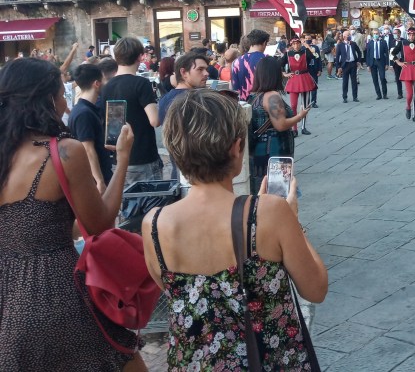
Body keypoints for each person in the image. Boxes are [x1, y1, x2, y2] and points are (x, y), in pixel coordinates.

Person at [141, 88, 326, 371]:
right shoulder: (269, 212)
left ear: (175, 152)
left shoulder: (153, 224)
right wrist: (293, 221)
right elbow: (315, 289)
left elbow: (171, 291)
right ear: (236, 147)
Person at [0, 58, 142, 370]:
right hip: (57, 291)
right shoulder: (64, 152)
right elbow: (99, 224)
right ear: (47, 100)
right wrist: (122, 160)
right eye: (61, 94)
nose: (66, 103)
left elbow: (26, 225)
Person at [101, 37, 161, 209]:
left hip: (120, 159)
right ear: (140, 57)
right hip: (144, 156)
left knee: (128, 210)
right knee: (150, 210)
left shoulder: (107, 87)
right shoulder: (141, 83)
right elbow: (154, 120)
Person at [68, 63, 114, 192]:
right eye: (103, 80)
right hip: (94, 180)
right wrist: (99, 181)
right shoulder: (84, 113)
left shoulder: (84, 110)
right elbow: (87, 149)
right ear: (96, 83)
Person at [391, 26, 415, 122]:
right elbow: (393, 53)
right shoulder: (402, 43)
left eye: (413, 34)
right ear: (407, 34)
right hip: (407, 68)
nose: (411, 36)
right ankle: (408, 106)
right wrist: (398, 62)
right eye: (410, 34)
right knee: (410, 94)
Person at [157, 51, 210, 125]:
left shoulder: (164, 100)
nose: (206, 73)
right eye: (200, 69)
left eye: (206, 69)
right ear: (184, 72)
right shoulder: (196, 101)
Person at [281, 36, 317, 136]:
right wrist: (284, 74)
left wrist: (306, 45)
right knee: (293, 105)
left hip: (305, 78)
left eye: (298, 43)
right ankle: (294, 128)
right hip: (293, 79)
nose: (296, 45)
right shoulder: (288, 54)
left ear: (300, 44)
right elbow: (279, 64)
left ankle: (303, 127)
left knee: (305, 105)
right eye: (294, 44)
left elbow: (315, 56)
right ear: (291, 45)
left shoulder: (305, 52)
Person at [231, 29, 270, 100]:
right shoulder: (268, 59)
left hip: (243, 104)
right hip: (263, 104)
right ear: (264, 43)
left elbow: (235, 88)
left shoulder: (236, 62)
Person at [334, 30, 362, 103]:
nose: (349, 36)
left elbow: (359, 52)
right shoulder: (340, 45)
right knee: (345, 81)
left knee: (354, 81)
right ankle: (345, 97)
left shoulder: (353, 44)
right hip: (345, 65)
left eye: (350, 34)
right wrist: (338, 67)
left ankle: (355, 97)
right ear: (344, 37)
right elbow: (337, 57)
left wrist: (358, 61)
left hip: (353, 64)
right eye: (348, 35)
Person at [364, 28, 390, 100]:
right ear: (372, 34)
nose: (375, 35)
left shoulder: (383, 42)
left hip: (381, 61)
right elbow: (368, 54)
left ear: (379, 34)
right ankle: (378, 94)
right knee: (375, 79)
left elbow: (387, 54)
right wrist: (368, 65)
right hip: (373, 62)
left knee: (382, 78)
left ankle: (385, 94)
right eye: (374, 34)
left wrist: (387, 64)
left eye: (377, 34)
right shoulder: (370, 43)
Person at [303, 34, 322, 107]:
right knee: (306, 86)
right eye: (306, 38)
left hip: (314, 68)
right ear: (304, 39)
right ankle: (307, 102)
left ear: (311, 39)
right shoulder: (302, 48)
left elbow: (319, 58)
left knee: (314, 85)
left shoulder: (316, 47)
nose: (308, 39)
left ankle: (314, 102)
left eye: (309, 38)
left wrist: (319, 69)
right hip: (306, 69)